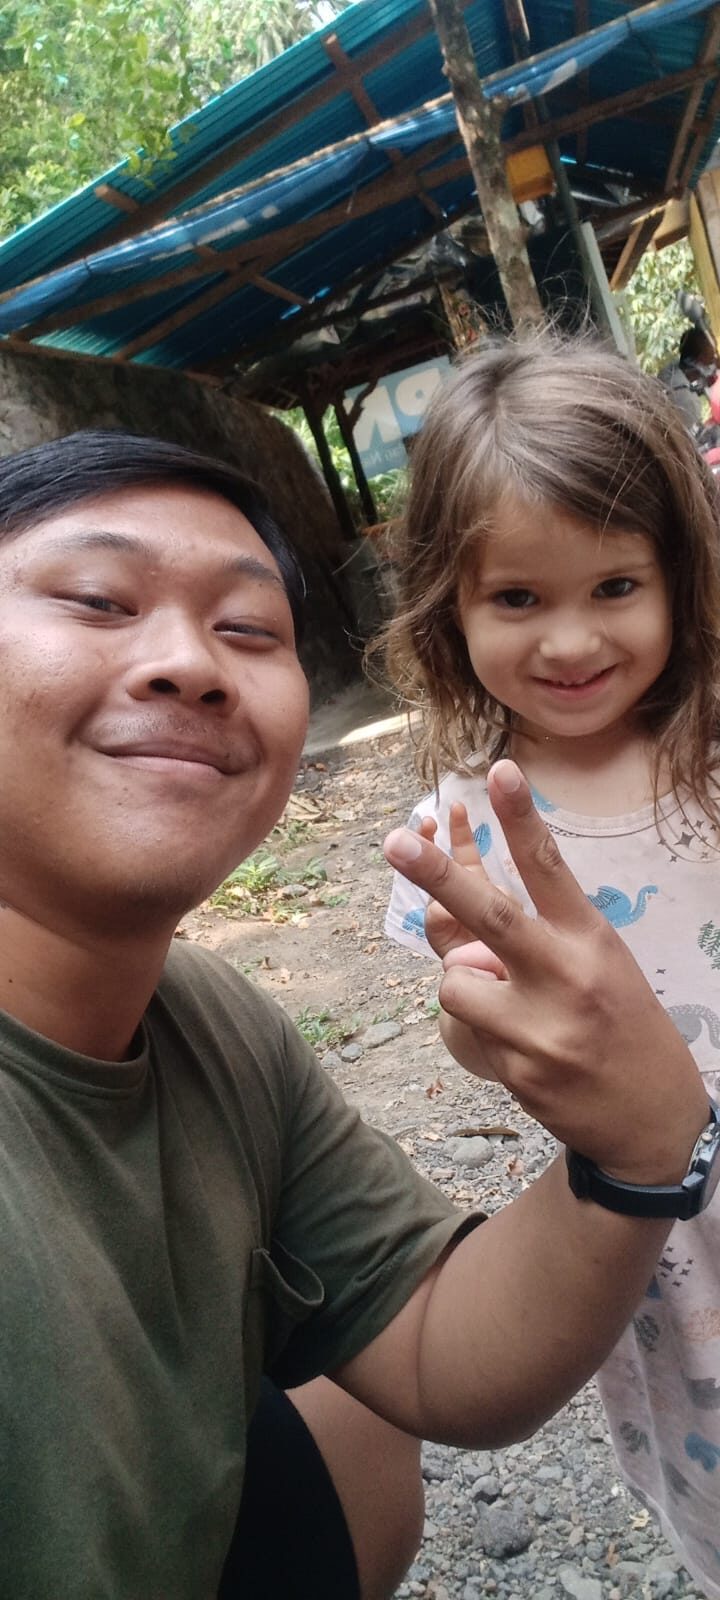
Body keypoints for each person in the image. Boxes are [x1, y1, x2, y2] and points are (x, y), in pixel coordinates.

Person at [0, 429, 712, 1600]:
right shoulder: (462, 820)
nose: (190, 663)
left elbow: (432, 1342)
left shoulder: (215, 1022)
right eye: (98, 600)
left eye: (248, 629)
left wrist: (630, 1149)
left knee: (339, 1392)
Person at [382, 333, 720, 1596]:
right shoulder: (460, 832)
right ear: (451, 609)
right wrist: (477, 1013)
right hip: (669, 1251)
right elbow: (476, 1034)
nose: (570, 640)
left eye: (615, 585)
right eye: (518, 598)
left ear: (679, 575)